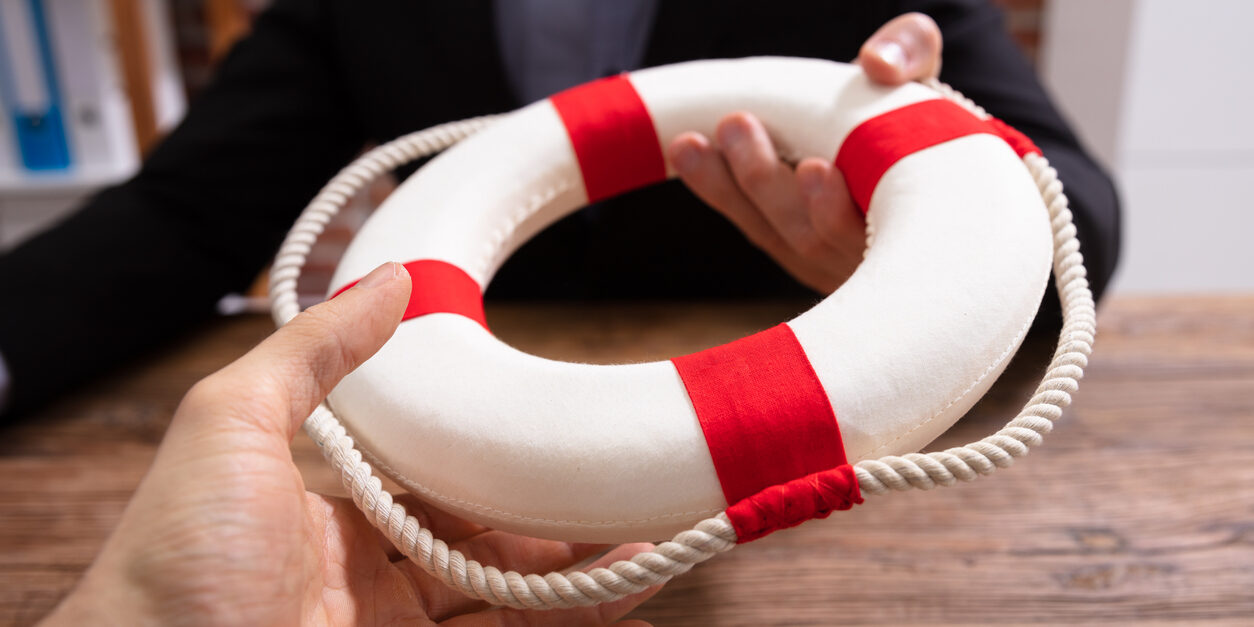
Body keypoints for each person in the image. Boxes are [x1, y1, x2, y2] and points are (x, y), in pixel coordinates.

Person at [21, 2, 1119, 623]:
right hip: (469, 514)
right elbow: (183, 211)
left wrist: (932, 220)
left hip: (847, 522)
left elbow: (1079, 197)